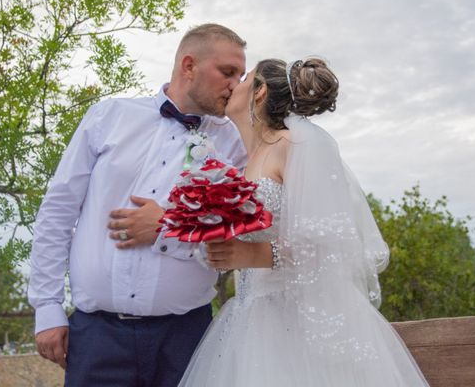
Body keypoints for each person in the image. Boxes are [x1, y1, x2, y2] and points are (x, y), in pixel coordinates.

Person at [179, 58, 429, 386]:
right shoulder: (244, 165)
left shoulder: (296, 145)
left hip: (297, 325)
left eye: (244, 78)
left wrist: (249, 256)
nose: (232, 85)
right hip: (249, 319)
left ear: (259, 92)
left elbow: (333, 244)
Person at [28, 23, 247, 386]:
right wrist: (47, 307)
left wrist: (168, 226)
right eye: (228, 72)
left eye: (240, 76)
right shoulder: (108, 117)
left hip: (187, 339)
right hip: (97, 337)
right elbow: (58, 210)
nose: (235, 85)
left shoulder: (233, 145)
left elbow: (233, 236)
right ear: (188, 66)